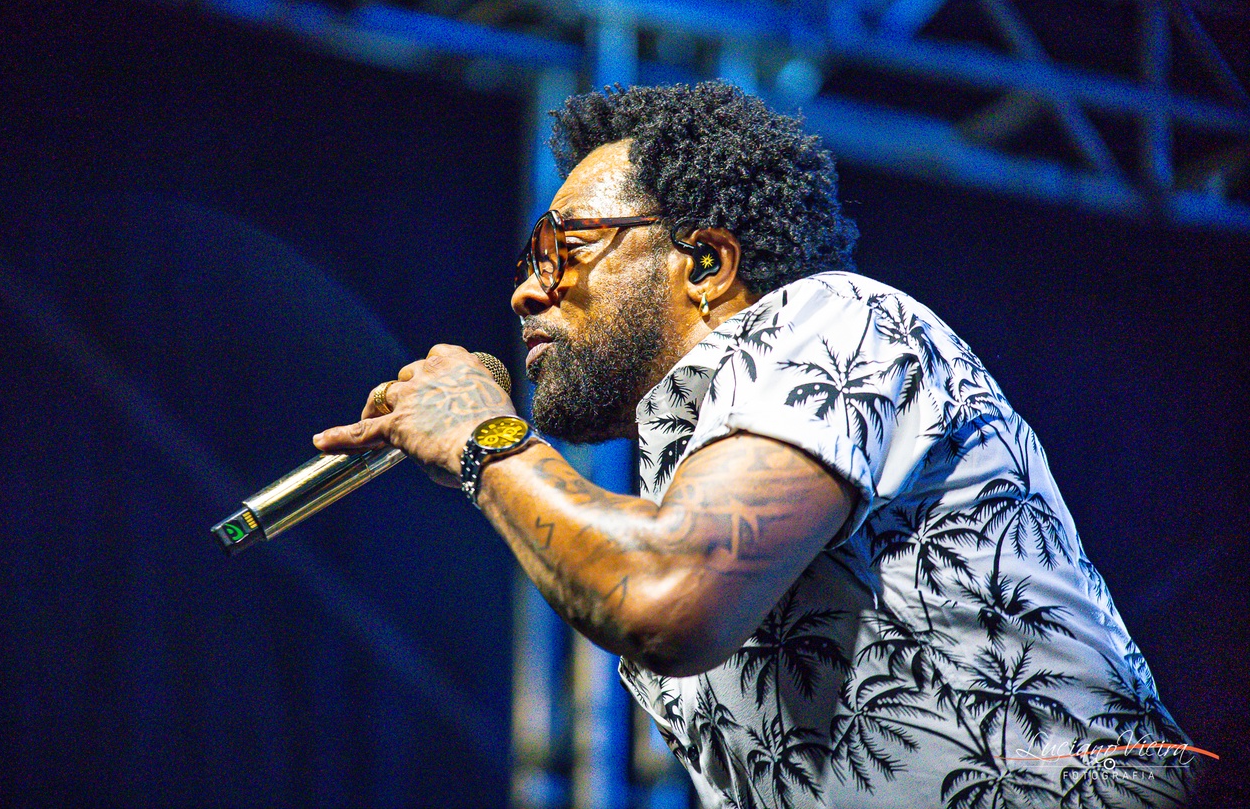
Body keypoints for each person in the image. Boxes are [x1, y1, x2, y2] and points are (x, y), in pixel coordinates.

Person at [313, 81, 1197, 808]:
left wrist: (484, 435)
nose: (526, 293)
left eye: (562, 246)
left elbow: (666, 594)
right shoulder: (681, 482)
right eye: (524, 262)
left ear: (707, 262)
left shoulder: (831, 320)